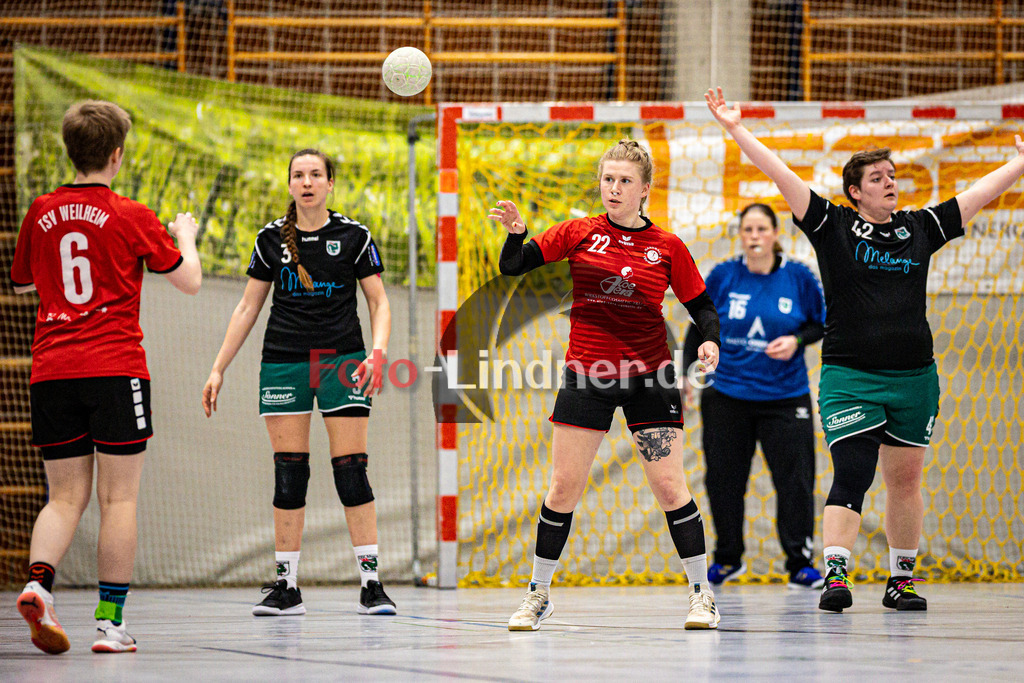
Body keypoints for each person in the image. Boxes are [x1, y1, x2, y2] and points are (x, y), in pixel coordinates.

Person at [706, 86, 1024, 613]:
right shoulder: (832, 226)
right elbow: (781, 175)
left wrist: (1019, 164)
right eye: (877, 179)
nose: (890, 184)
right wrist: (737, 129)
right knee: (852, 471)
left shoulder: (919, 227)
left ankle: (900, 581)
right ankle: (836, 576)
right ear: (856, 191)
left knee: (906, 479)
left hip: (914, 377)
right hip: (851, 375)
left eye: (892, 177)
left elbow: (975, 195)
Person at [492, 139, 723, 630]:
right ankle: (538, 593)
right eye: (607, 179)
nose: (613, 189)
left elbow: (701, 305)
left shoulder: (668, 246)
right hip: (588, 375)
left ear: (644, 189)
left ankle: (702, 595)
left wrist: (710, 340)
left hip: (651, 377)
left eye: (624, 181)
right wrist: (517, 233)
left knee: (668, 486)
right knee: (562, 489)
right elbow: (514, 264)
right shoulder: (578, 232)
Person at [11, 100, 202, 654]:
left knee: (64, 496)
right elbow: (188, 281)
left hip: (51, 371)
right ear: (117, 155)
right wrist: (184, 233)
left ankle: (38, 585)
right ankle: (110, 624)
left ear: (70, 152)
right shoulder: (130, 214)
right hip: (114, 369)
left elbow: (24, 284)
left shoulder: (40, 211)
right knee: (119, 500)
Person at [202, 148, 396, 617]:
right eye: (298, 175)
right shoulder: (270, 240)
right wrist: (218, 367)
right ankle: (286, 586)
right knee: (290, 471)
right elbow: (247, 308)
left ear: (330, 184)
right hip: (284, 361)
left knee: (351, 468)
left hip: (342, 361)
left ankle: (371, 583)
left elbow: (379, 302)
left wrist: (378, 354)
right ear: (289, 184)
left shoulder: (353, 236)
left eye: (315, 174)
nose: (306, 182)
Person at [682, 202, 826, 589]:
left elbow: (820, 324)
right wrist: (684, 378)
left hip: (785, 396)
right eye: (748, 230)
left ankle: (800, 562)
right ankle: (728, 558)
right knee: (724, 480)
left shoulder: (798, 276)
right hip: (727, 393)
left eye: (762, 229)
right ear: (741, 235)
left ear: (776, 234)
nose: (755, 236)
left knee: (795, 481)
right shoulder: (725, 275)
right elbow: (700, 326)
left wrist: (796, 340)